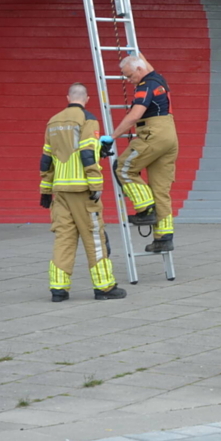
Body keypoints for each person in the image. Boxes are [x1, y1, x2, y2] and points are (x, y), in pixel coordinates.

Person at [40, 83, 126, 302]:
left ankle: (58, 289)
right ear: (86, 99)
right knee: (94, 238)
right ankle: (104, 287)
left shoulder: (53, 121)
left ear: (68, 97)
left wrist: (45, 190)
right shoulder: (88, 119)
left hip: (61, 191)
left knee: (64, 239)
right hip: (83, 191)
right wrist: (96, 186)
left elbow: (46, 159)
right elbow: (87, 154)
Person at [106, 54, 179, 253]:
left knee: (123, 167)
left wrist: (112, 137)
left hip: (152, 133)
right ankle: (164, 238)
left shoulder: (145, 86)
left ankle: (145, 209)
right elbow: (144, 61)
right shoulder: (158, 79)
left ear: (139, 70)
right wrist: (135, 52)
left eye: (130, 76)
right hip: (169, 136)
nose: (129, 81)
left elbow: (134, 116)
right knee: (160, 190)